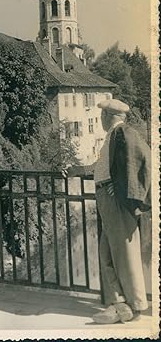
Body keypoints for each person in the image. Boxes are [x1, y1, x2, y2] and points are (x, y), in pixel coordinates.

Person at [92, 99, 151, 324]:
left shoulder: (124, 133)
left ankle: (135, 306)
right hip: (107, 199)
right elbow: (106, 166)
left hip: (115, 201)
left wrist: (126, 192)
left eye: (101, 116)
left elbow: (145, 161)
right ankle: (120, 304)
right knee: (107, 252)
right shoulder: (112, 136)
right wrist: (77, 169)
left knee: (125, 254)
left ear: (108, 116)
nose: (100, 120)